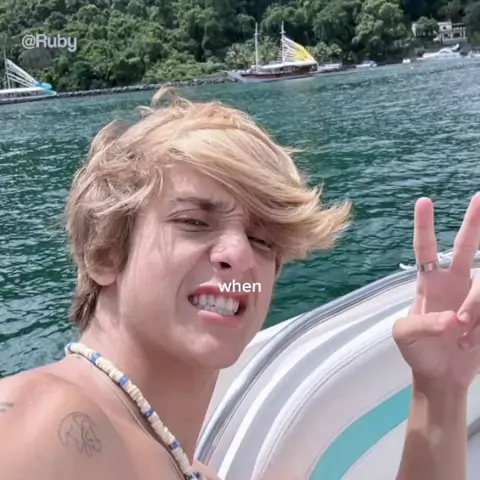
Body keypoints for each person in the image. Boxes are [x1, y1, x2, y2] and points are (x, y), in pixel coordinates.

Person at [1, 87, 480, 480]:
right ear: (104, 253)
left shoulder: (187, 468)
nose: (241, 255)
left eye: (262, 239)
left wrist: (439, 390)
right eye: (193, 222)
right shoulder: (40, 423)